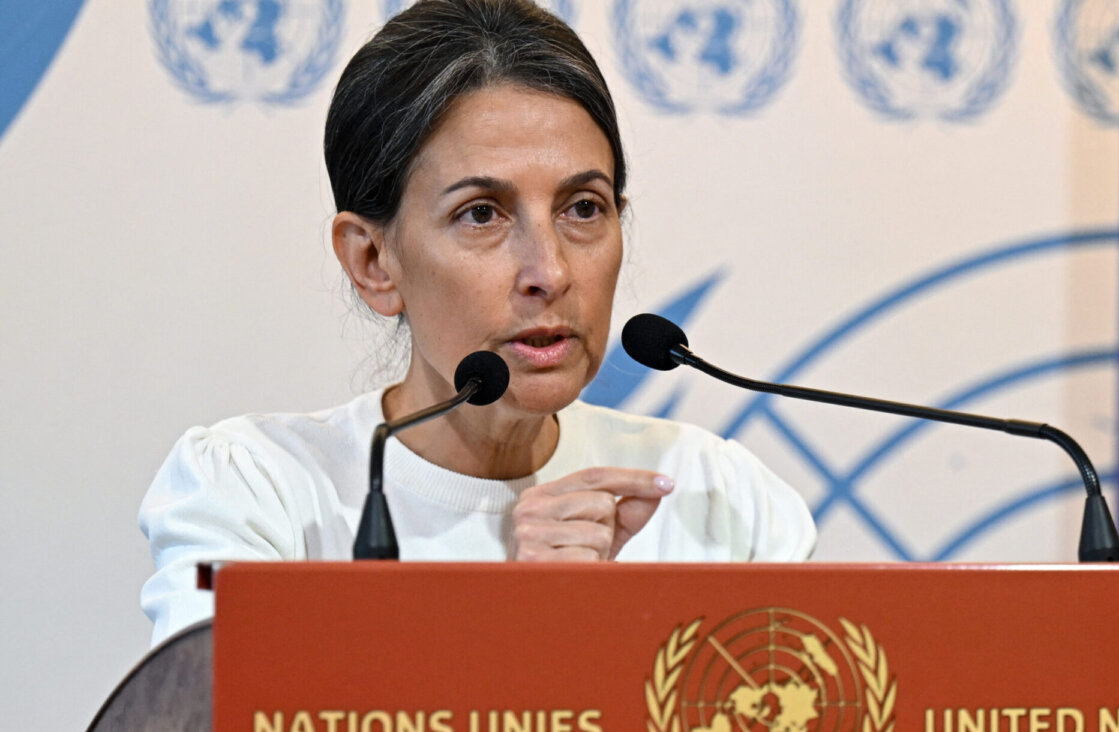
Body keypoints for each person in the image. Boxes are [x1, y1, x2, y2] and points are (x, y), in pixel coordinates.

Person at [139, 0, 815, 646]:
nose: (549, 271)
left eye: (583, 208)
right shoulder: (260, 494)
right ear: (374, 261)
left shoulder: (717, 498)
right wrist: (510, 624)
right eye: (482, 214)